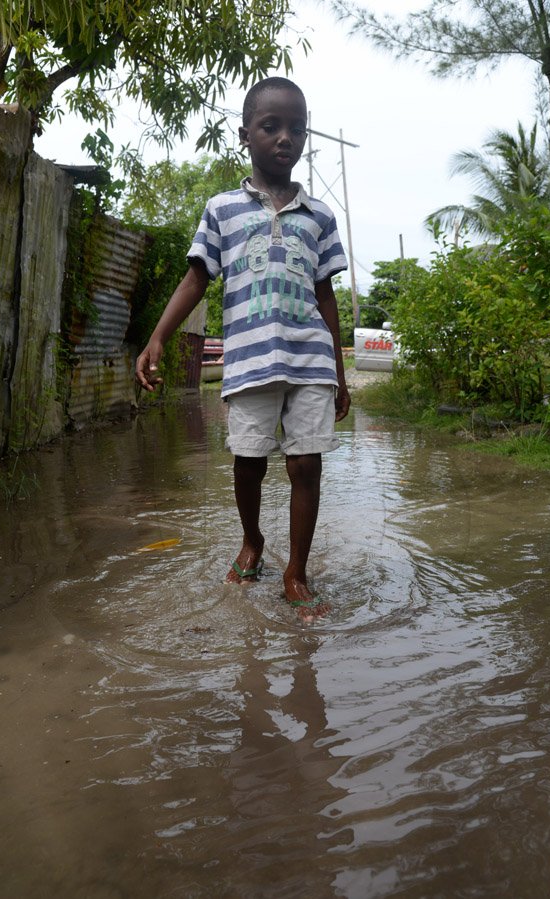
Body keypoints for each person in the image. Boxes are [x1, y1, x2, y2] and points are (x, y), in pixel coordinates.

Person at [135, 76, 350, 621]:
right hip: (251, 359)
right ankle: (252, 540)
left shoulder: (320, 216)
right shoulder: (222, 209)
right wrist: (158, 336)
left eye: (296, 128)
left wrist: (340, 374)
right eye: (271, 126)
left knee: (306, 464)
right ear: (244, 135)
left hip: (310, 359)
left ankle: (296, 573)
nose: (285, 138)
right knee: (249, 461)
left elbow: (327, 298)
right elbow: (195, 279)